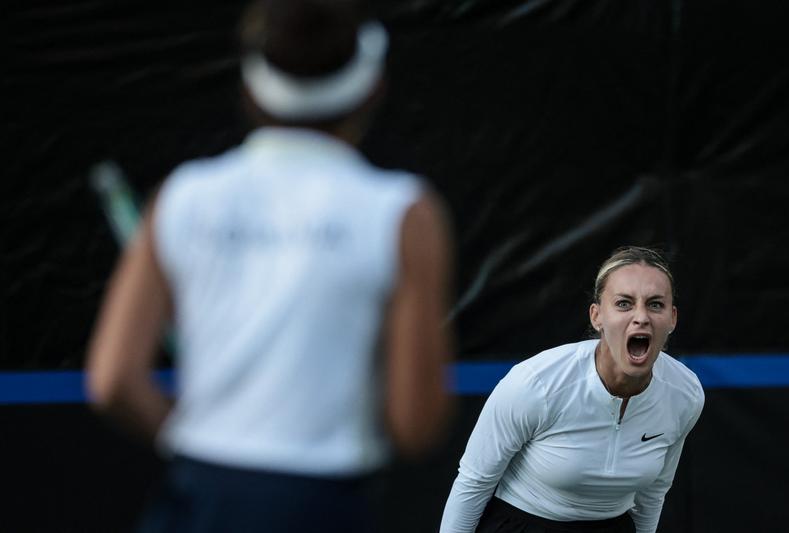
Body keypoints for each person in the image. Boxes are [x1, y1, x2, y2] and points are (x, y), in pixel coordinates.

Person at [86, 1, 454, 531]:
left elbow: (113, 381)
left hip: (196, 498)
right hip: (324, 504)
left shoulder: (182, 196)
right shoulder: (405, 213)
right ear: (373, 87)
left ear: (250, 86)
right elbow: (416, 424)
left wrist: (199, 445)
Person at [440, 246, 704, 533]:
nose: (641, 316)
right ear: (597, 316)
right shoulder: (536, 383)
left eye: (655, 304)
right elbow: (474, 482)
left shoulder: (685, 394)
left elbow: (654, 492)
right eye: (624, 304)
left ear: (672, 319)